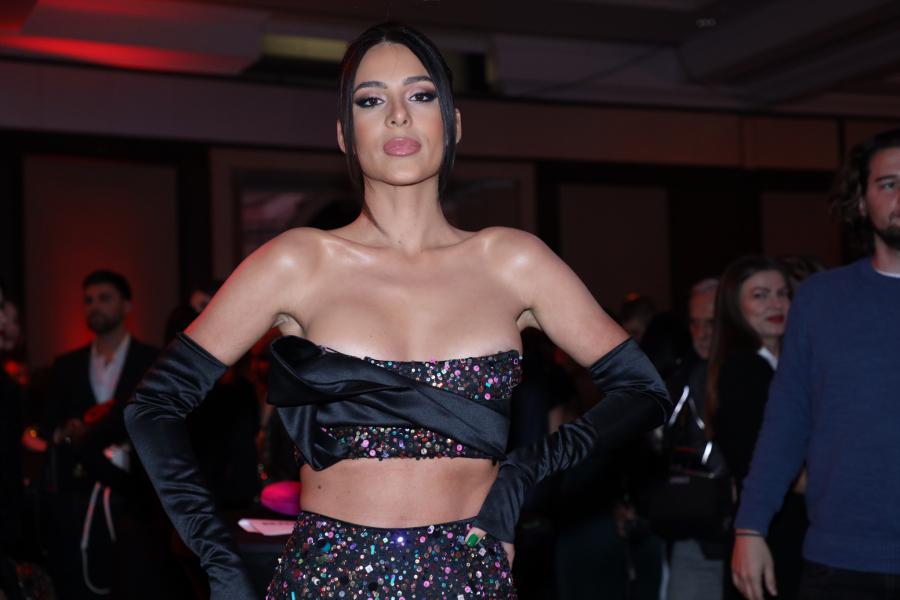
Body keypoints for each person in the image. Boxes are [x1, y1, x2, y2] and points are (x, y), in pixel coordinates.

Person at [124, 22, 671, 600]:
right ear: (344, 134)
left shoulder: (514, 262)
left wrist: (522, 471)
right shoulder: (297, 261)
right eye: (371, 100)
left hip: (470, 577)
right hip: (327, 580)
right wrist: (221, 563)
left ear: (453, 122)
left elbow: (644, 392)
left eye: (420, 94)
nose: (398, 116)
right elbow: (153, 405)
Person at [731, 128, 900, 600]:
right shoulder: (820, 300)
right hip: (839, 561)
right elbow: (787, 420)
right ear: (861, 201)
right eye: (889, 183)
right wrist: (750, 527)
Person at [704, 257, 807, 600]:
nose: (776, 304)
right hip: (773, 533)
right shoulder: (744, 367)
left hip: (783, 528)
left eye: (783, 293)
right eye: (760, 295)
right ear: (735, 306)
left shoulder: (787, 364)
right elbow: (773, 465)